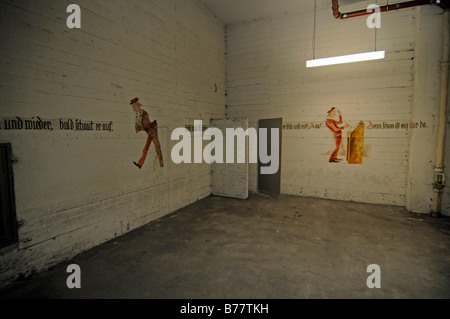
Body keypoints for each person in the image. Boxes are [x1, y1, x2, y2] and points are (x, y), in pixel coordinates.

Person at [130, 97, 164, 169]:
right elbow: (140, 125)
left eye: (134, 106)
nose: (133, 108)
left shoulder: (144, 114)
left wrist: (142, 127)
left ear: (137, 106)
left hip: (151, 132)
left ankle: (160, 164)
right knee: (155, 147)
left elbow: (147, 125)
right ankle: (141, 164)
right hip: (149, 131)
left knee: (152, 148)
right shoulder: (138, 115)